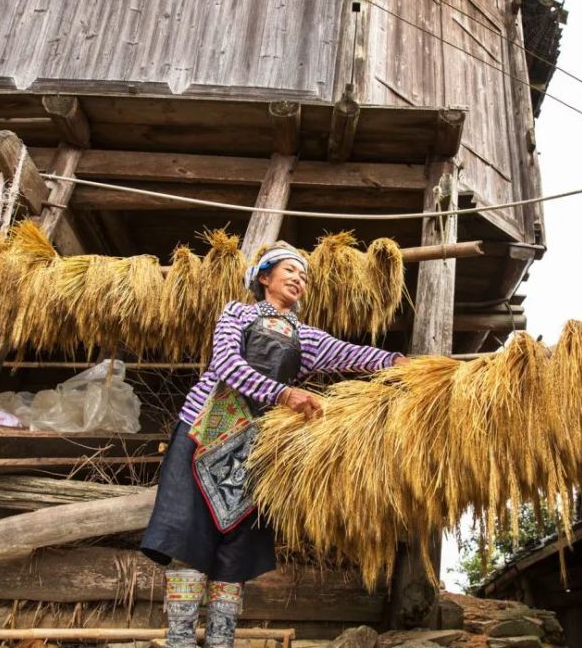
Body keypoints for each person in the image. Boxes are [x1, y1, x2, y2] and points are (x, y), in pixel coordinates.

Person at [141, 242, 407, 648]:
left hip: (258, 448)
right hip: (204, 432)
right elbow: (228, 365)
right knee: (188, 536)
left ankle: (220, 643)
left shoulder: (307, 336)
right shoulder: (237, 314)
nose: (299, 279)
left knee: (237, 547)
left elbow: (352, 353)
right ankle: (179, 641)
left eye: (304, 276)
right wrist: (283, 395)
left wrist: (395, 361)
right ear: (264, 277)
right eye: (290, 271)